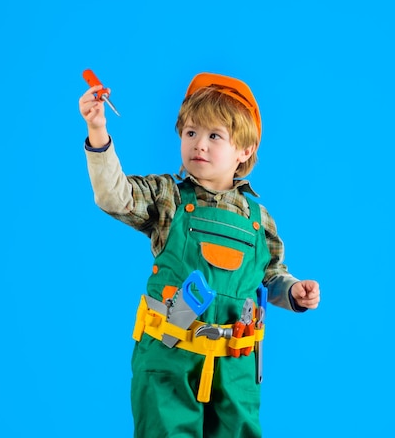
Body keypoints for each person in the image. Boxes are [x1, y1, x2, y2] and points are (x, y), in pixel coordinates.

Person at [79, 71, 320, 438]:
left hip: (235, 367)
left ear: (245, 150)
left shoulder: (259, 220)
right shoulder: (168, 199)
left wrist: (293, 291)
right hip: (169, 360)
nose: (199, 145)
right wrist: (98, 133)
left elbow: (270, 276)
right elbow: (115, 196)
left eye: (214, 136)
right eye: (190, 133)